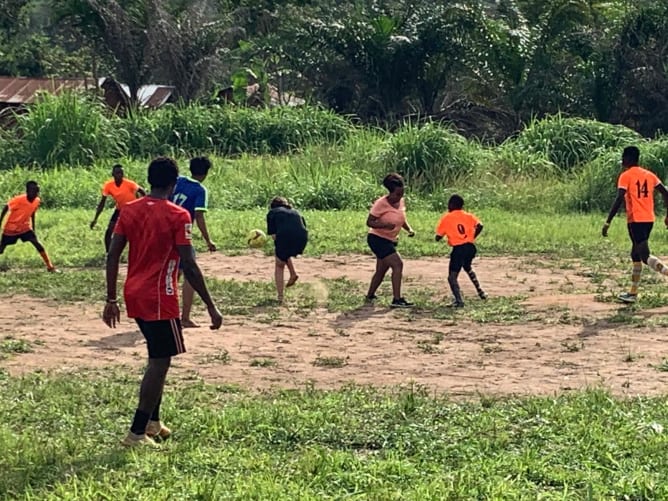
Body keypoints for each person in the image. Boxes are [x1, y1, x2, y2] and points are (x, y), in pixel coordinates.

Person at [103, 156, 223, 447]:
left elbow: (112, 254)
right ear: (173, 183)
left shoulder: (128, 210)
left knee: (158, 356)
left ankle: (154, 423)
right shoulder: (178, 215)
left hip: (133, 293)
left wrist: (110, 298)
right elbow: (189, 264)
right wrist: (210, 305)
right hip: (159, 296)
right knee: (159, 362)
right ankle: (136, 432)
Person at [602, 145, 668, 303]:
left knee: (644, 255)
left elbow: (619, 199)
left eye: (624, 157)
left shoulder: (626, 176)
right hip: (649, 219)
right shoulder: (649, 175)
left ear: (628, 158)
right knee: (635, 254)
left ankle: (666, 272)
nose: (622, 160)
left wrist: (607, 222)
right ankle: (632, 293)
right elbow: (666, 194)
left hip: (636, 220)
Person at [171, 156, 217, 328]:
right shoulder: (200, 190)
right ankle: (185, 317)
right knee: (190, 273)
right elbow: (199, 215)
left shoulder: (178, 180)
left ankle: (165, 311)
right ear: (205, 173)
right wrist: (208, 240)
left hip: (165, 231)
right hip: (182, 235)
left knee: (173, 273)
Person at [365, 173, 415, 308]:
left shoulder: (401, 201)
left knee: (381, 270)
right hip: (378, 239)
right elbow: (369, 222)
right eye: (397, 194)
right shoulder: (381, 203)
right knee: (398, 264)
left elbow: (401, 218)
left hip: (391, 240)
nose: (399, 197)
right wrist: (385, 225)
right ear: (390, 192)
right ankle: (397, 299)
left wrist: (409, 229)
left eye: (402, 193)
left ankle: (370, 295)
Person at [435, 194, 487, 307]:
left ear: (451, 205)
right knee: (467, 267)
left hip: (458, 249)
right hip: (470, 247)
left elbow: (438, 236)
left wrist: (439, 237)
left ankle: (459, 301)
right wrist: (472, 237)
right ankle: (480, 291)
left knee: (452, 277)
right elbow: (480, 225)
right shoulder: (468, 216)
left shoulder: (447, 217)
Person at [0, 181, 56, 272]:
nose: (35, 193)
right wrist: (0, 221)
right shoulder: (19, 199)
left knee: (37, 243)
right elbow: (6, 207)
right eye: (33, 190)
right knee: (1, 249)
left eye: (37, 190)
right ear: (27, 191)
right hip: (11, 228)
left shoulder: (37, 200)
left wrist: (33, 227)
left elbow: (32, 212)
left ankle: (50, 267)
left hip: (25, 227)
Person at [90, 164, 146, 253]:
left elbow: (142, 191)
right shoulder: (108, 185)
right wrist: (95, 219)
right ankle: (108, 254)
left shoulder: (129, 184)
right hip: (120, 209)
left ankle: (140, 251)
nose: (120, 175)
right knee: (109, 231)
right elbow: (102, 203)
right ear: (113, 174)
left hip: (132, 209)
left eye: (121, 173)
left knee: (136, 232)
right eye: (117, 173)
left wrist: (144, 205)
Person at [266, 196, 308, 304]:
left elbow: (274, 236)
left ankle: (280, 297)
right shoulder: (296, 212)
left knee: (279, 264)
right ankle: (293, 274)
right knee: (285, 252)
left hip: (284, 236)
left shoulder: (272, 213)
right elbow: (302, 227)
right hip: (302, 238)